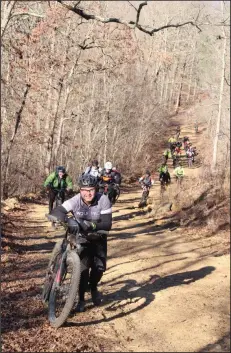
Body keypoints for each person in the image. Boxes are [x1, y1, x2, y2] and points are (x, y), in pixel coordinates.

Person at [48, 173, 112, 312]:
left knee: (99, 269)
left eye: (91, 190)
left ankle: (94, 287)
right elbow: (58, 210)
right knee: (82, 270)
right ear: (80, 190)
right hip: (81, 238)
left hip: (98, 238)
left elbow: (107, 224)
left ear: (96, 189)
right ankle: (81, 300)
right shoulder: (75, 200)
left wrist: (91, 225)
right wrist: (67, 220)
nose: (87, 193)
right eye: (84, 190)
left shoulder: (103, 200)